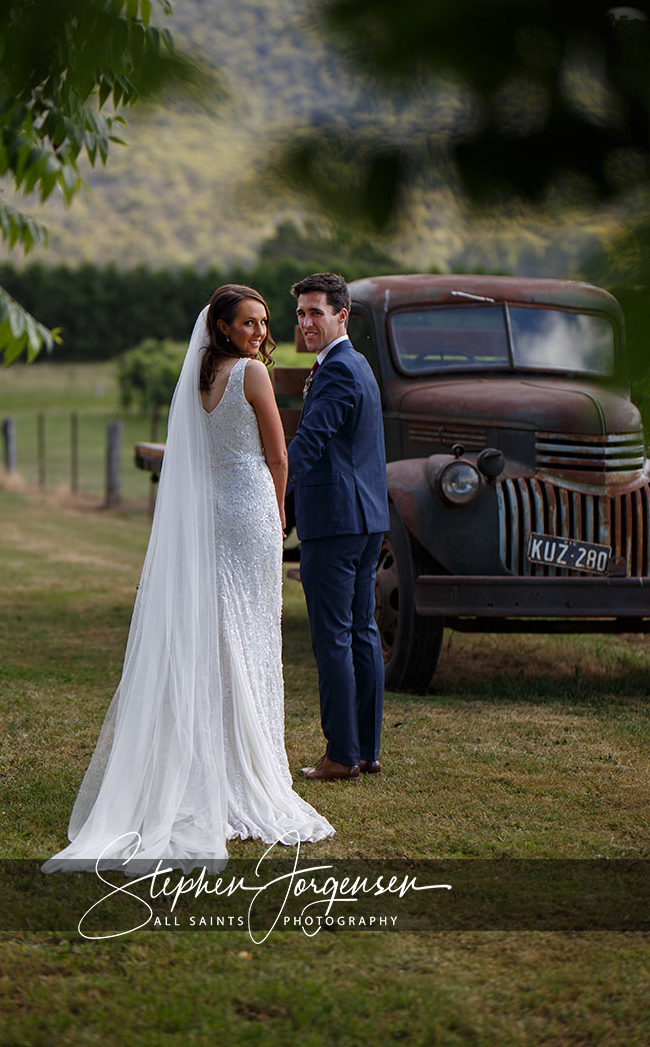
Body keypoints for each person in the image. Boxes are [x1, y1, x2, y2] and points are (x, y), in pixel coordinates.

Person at [43, 284, 333, 875]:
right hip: (249, 512)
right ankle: (242, 772)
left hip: (210, 518)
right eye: (249, 323)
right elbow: (279, 456)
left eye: (263, 322)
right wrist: (280, 514)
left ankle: (208, 765)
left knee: (216, 634)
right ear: (223, 328)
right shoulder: (251, 375)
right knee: (248, 635)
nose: (260, 332)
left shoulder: (199, 381)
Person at [286, 273, 389, 781]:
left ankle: (341, 755)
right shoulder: (356, 365)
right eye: (301, 313)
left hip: (335, 521)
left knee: (335, 638)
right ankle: (364, 751)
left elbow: (309, 443)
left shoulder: (337, 372)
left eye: (316, 313)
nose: (306, 322)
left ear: (341, 315)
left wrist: (274, 494)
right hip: (365, 519)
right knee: (361, 632)